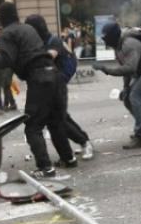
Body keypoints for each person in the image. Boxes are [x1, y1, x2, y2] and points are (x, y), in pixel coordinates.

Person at [0, 2, 77, 176]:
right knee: (54, 121)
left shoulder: (7, 33)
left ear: (2, 17)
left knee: (32, 126)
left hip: (39, 78)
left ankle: (46, 168)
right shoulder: (28, 29)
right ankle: (69, 158)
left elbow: (5, 60)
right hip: (54, 76)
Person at [27, 14, 94, 159]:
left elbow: (50, 56)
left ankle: (84, 142)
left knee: (60, 120)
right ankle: (80, 143)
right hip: (49, 86)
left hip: (59, 83)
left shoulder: (53, 40)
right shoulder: (39, 41)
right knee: (60, 118)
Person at [97, 22, 141, 149]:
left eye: (106, 39)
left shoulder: (128, 44)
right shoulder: (118, 47)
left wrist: (107, 70)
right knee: (127, 98)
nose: (105, 42)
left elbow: (129, 68)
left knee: (135, 96)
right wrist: (125, 88)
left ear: (112, 37)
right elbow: (126, 70)